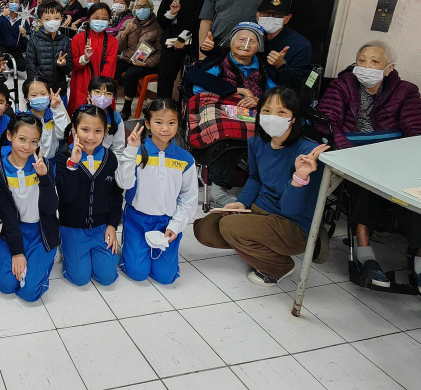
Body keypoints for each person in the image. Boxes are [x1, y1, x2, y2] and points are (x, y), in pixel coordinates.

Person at [193, 87, 328, 285]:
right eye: (266, 111)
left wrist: (299, 177)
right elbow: (255, 178)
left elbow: (291, 209)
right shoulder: (257, 142)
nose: (273, 117)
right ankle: (255, 242)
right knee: (204, 229)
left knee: (230, 227)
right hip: (260, 210)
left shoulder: (309, 154)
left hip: (293, 223)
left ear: (294, 118)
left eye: (281, 112)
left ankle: (278, 267)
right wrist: (241, 203)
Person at [318, 43, 421, 288]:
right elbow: (327, 122)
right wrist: (351, 154)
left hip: (393, 154)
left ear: (389, 68)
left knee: (412, 189)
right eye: (361, 60)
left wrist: (404, 159)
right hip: (353, 151)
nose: (366, 66)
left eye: (375, 62)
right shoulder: (342, 86)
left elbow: (415, 129)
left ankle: (418, 256)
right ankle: (364, 252)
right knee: (367, 183)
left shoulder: (406, 91)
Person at [187, 21, 277, 207]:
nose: (246, 44)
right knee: (225, 130)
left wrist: (259, 100)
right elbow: (198, 88)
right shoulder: (219, 61)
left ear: (259, 47)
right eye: (241, 39)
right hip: (220, 105)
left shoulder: (264, 68)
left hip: (252, 109)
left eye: (252, 41)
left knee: (267, 133)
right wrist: (234, 91)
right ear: (231, 41)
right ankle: (218, 187)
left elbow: (276, 95)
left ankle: (262, 186)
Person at [119, 100, 198, 284]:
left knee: (166, 277)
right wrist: (130, 152)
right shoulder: (135, 152)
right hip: (137, 220)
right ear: (147, 123)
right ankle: (132, 245)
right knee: (137, 273)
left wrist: (175, 226)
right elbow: (123, 182)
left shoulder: (185, 159)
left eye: (171, 123)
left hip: (166, 223)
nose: (165, 128)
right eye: (159, 122)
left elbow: (189, 198)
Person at [56, 104, 134, 287]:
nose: (91, 137)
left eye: (98, 131)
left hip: (101, 227)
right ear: (74, 129)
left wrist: (112, 225)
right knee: (80, 278)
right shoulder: (63, 157)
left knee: (107, 278)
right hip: (73, 227)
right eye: (85, 129)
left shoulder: (110, 158)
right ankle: (65, 246)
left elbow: (117, 195)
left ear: (105, 132)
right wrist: (73, 165)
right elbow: (65, 197)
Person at [0, 114, 60, 301]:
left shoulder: (45, 165)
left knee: (29, 294)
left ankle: (46, 257)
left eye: (33, 141)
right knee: (7, 287)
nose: (27, 147)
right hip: (14, 231)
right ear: (9, 136)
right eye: (22, 139)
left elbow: (52, 208)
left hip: (42, 232)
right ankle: (17, 255)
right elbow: (6, 215)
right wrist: (17, 252)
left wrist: (44, 178)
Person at [156, 0, 212, 99]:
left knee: (189, 78)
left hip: (192, 41)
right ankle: (162, 107)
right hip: (170, 41)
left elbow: (202, 16)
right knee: (165, 76)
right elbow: (161, 18)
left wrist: (183, 37)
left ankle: (185, 109)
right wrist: (171, 13)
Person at [114, 0, 162, 119]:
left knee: (130, 75)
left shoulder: (158, 27)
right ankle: (107, 100)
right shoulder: (128, 22)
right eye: (137, 7)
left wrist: (146, 63)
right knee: (110, 67)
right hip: (127, 58)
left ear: (151, 9)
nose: (140, 9)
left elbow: (160, 53)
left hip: (146, 63)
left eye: (143, 7)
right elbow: (117, 47)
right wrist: (125, 32)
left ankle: (126, 108)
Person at [69, 2, 119, 113]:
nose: (100, 21)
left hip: (103, 86)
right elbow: (73, 64)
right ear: (88, 19)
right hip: (81, 82)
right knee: (80, 113)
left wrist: (100, 89)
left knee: (102, 114)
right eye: (96, 18)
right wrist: (85, 58)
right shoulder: (78, 39)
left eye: (104, 19)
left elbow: (110, 67)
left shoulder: (113, 42)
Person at [254, 0, 311, 91]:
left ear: (287, 18)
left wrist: (281, 66)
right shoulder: (248, 35)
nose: (270, 18)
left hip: (277, 93)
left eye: (277, 15)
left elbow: (297, 84)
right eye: (265, 13)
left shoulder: (300, 44)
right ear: (257, 15)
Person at [25, 0, 73, 94]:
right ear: (40, 21)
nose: (53, 21)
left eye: (56, 18)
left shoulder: (65, 40)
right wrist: (39, 89)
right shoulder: (34, 41)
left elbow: (69, 69)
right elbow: (31, 68)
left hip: (60, 90)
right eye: (47, 19)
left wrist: (63, 64)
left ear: (61, 19)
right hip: (42, 91)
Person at [23, 77, 68, 158]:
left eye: (43, 94)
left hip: (54, 161)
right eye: (34, 95)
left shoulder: (55, 114)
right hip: (33, 162)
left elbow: (62, 135)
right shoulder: (24, 120)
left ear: (49, 95)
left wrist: (57, 109)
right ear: (27, 99)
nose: (39, 98)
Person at [87, 75, 126, 153]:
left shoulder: (116, 118)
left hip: (107, 156)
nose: (103, 97)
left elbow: (118, 147)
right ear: (89, 94)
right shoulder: (80, 114)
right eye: (98, 92)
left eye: (108, 93)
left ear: (113, 97)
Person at [0, 0, 29, 69]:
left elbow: (28, 38)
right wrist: (3, 16)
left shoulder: (23, 19)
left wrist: (24, 35)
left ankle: (11, 65)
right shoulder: (0, 16)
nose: (14, 4)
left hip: (15, 49)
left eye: (16, 2)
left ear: (19, 5)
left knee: (22, 66)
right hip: (1, 47)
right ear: (7, 4)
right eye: (11, 2)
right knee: (2, 59)